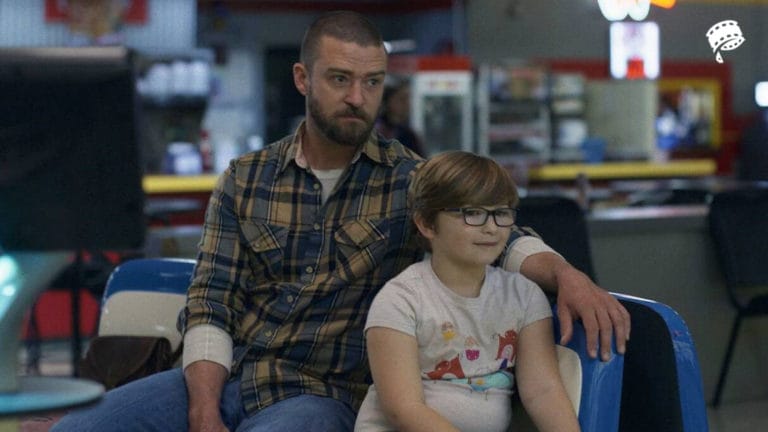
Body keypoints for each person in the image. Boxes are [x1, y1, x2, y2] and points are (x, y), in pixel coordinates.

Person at [52, 10, 628, 432]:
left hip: (320, 395)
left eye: (372, 82)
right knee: (75, 428)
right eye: (340, 79)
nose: (358, 97)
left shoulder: (408, 180)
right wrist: (203, 411)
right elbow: (211, 301)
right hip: (225, 376)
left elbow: (498, 234)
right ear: (303, 79)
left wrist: (567, 275)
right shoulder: (246, 178)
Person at [354, 151, 580, 432]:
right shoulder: (400, 299)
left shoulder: (525, 296)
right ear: (426, 223)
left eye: (501, 213)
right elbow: (404, 409)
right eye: (472, 213)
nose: (491, 228)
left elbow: (543, 390)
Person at [375, 78, 425, 156]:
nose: (407, 104)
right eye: (401, 99)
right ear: (388, 101)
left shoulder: (408, 134)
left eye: (408, 99)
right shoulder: (376, 129)